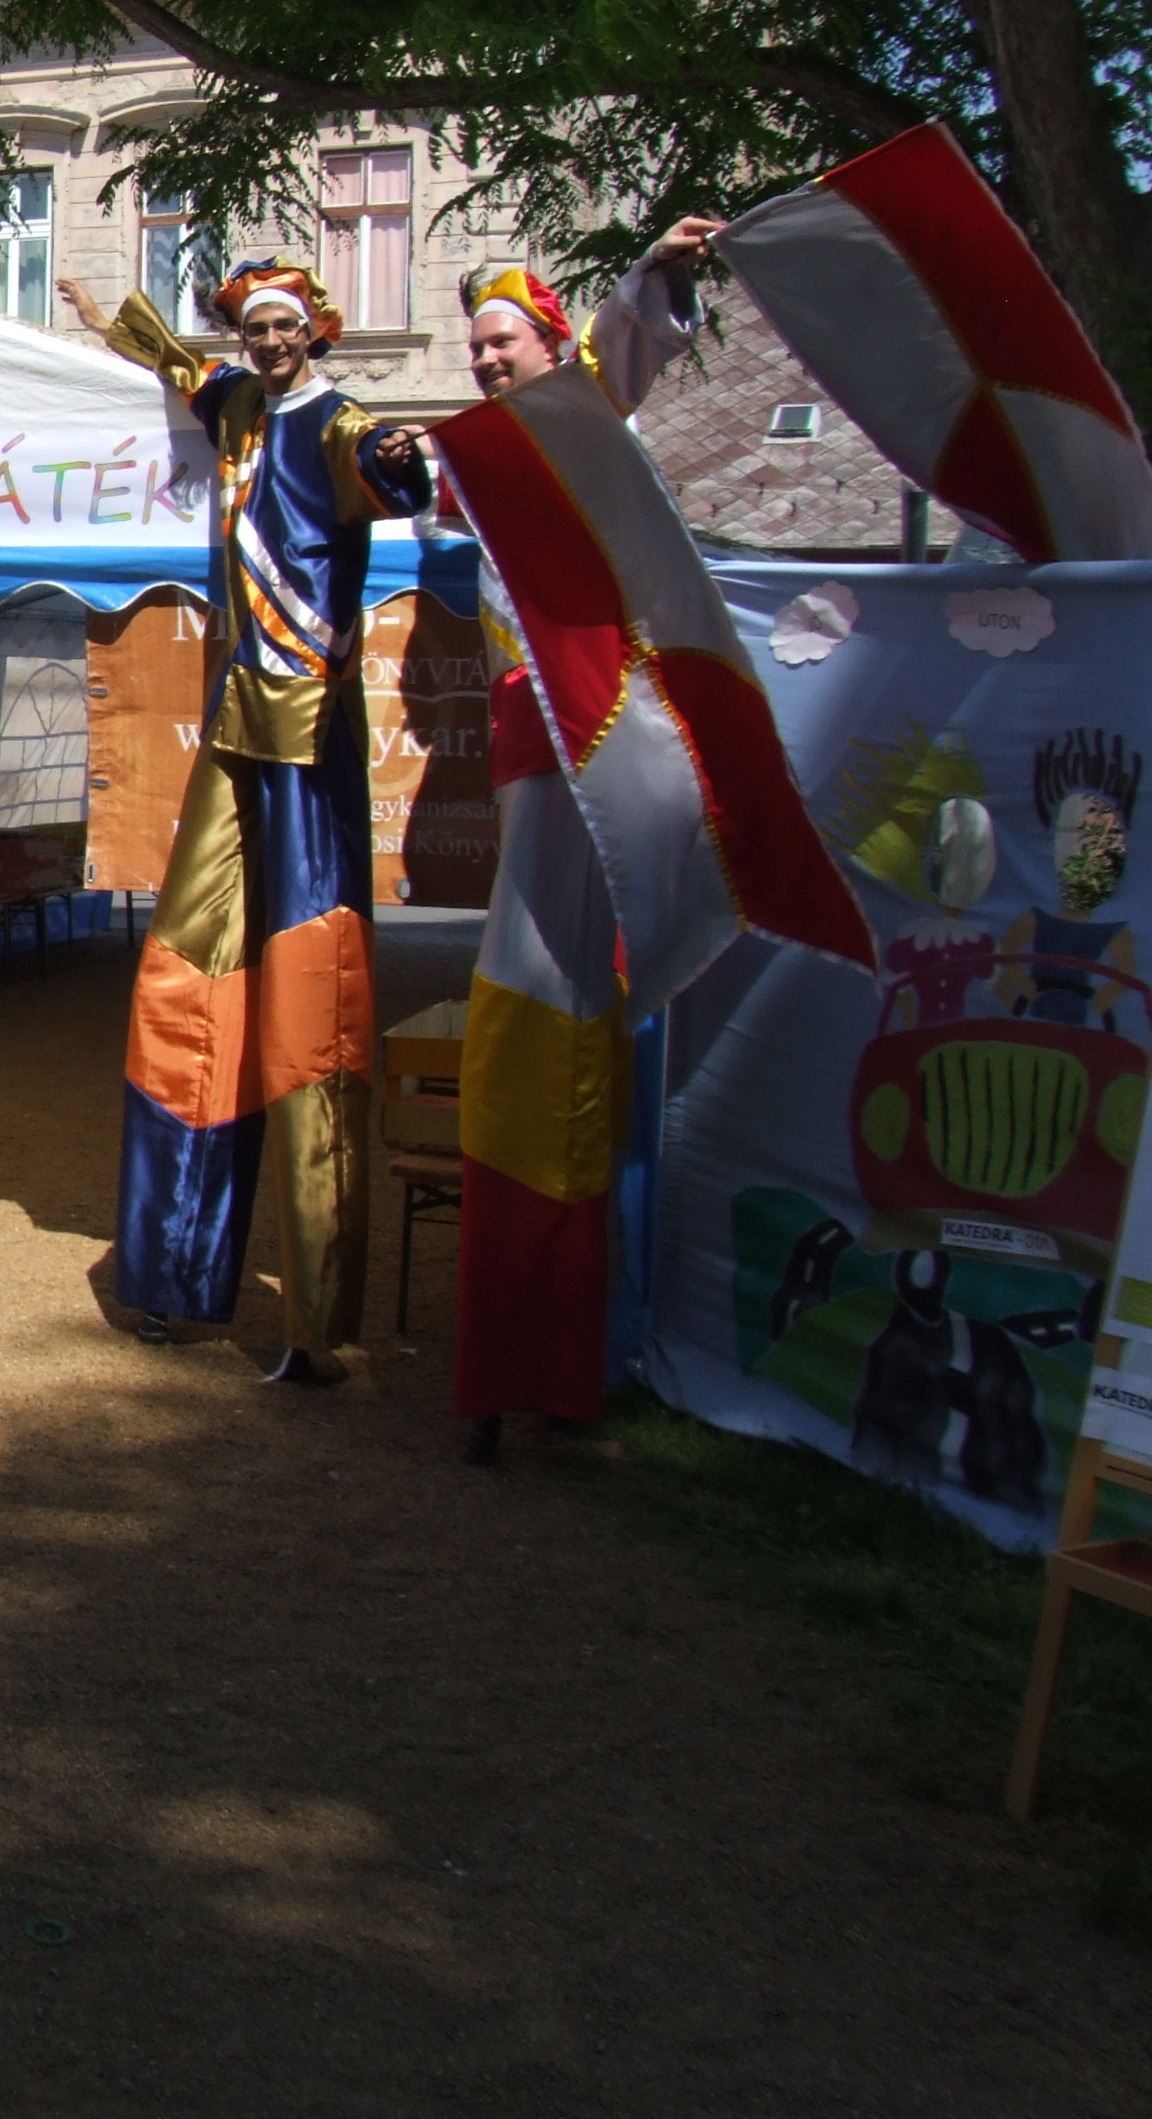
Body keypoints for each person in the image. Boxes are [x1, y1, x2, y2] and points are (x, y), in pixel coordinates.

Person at [114, 260, 434, 1383]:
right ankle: (174, 1270)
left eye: (284, 326)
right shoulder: (240, 404)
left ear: (316, 331)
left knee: (310, 1003)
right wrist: (112, 317)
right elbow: (183, 371)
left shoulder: (338, 423)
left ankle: (315, 1319)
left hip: (304, 726)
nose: (268, 342)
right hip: (235, 718)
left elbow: (387, 473)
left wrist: (403, 461)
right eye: (254, 327)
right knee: (185, 980)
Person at [447, 221, 719, 1460]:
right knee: (532, 1027)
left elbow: (612, 360)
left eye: (500, 341)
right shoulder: (486, 454)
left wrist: (652, 271)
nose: (483, 360)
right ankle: (518, 1362)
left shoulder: (577, 422)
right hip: (534, 749)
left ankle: (561, 1361)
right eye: (473, 347)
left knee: (582, 1038)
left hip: (593, 742)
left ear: (549, 347)